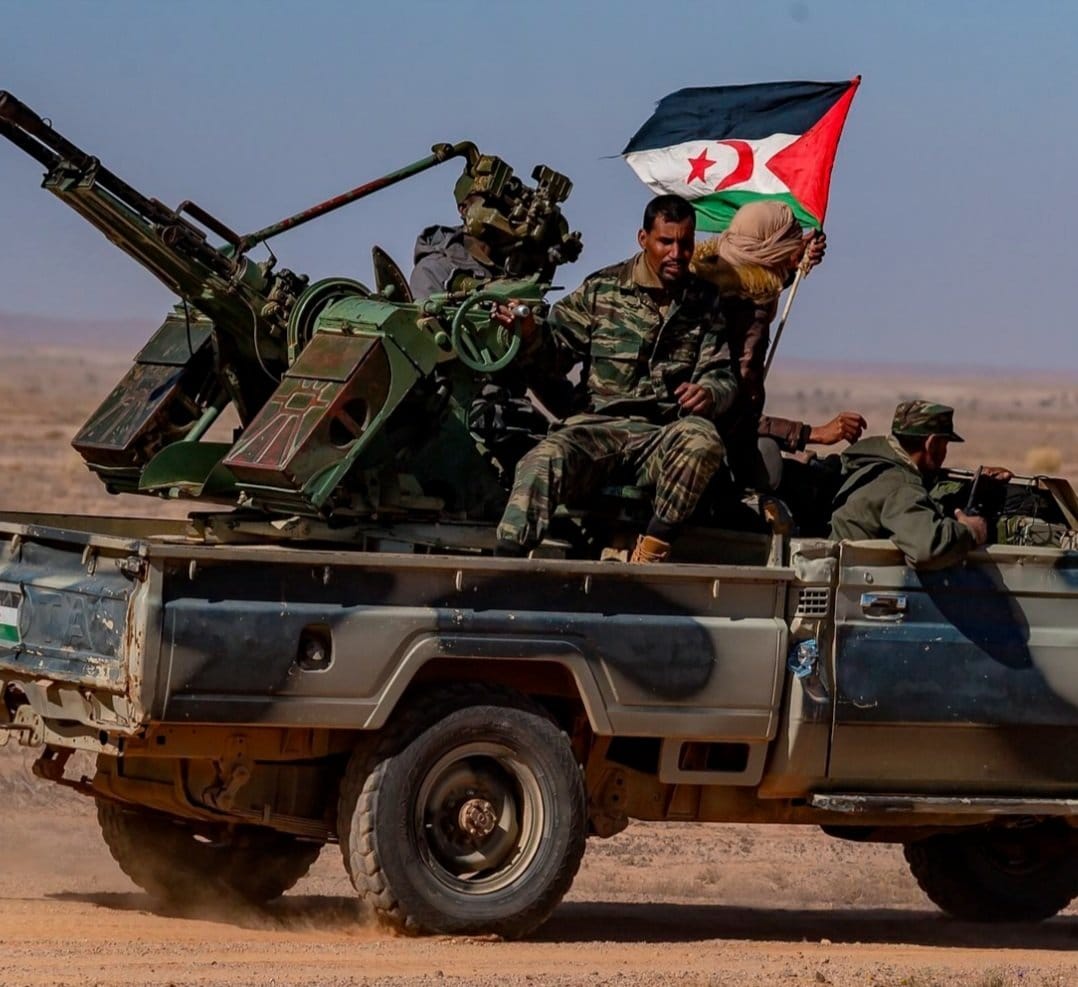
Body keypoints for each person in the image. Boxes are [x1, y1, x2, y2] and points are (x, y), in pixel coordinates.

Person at [493, 194, 737, 563]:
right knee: (542, 460)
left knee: (703, 440)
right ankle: (501, 568)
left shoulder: (704, 301)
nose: (677, 254)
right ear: (643, 239)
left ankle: (650, 552)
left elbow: (721, 374)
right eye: (665, 242)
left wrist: (709, 393)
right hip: (596, 430)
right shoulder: (602, 289)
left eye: (685, 244)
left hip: (660, 437)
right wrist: (529, 333)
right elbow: (554, 353)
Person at [691, 201, 866, 492]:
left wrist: (793, 262)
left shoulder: (709, 282)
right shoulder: (745, 313)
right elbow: (734, 415)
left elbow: (755, 280)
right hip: (710, 443)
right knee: (772, 463)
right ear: (770, 250)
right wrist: (812, 434)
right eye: (785, 245)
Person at [830, 400, 1012, 568]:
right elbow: (929, 547)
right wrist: (971, 532)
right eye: (944, 444)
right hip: (857, 578)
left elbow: (918, 490)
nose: (944, 453)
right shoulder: (900, 485)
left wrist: (970, 485)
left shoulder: (870, 465)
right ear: (931, 444)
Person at [409, 192, 504, 299]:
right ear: (465, 209)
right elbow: (426, 308)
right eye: (493, 202)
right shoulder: (434, 269)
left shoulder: (513, 263)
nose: (508, 209)